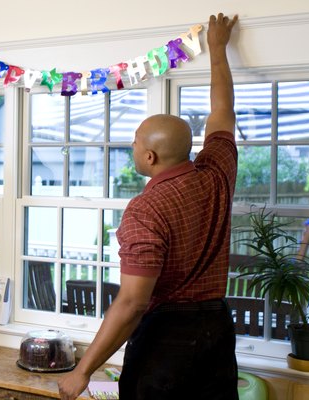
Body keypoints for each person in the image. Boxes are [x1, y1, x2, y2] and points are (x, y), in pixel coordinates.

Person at [58, 13, 240, 400]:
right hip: (218, 330)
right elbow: (223, 110)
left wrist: (83, 370)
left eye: (137, 141)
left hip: (168, 340)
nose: (132, 146)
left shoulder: (145, 210)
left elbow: (133, 301)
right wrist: (218, 50)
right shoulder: (217, 172)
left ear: (152, 157)